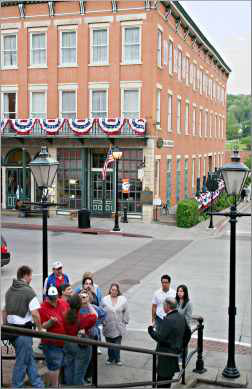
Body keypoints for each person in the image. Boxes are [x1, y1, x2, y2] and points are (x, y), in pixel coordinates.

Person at [2, 265, 44, 388]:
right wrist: (40, 329)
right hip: (24, 333)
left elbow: (4, 311)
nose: (31, 278)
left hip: (12, 331)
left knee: (29, 359)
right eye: (30, 275)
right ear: (25, 276)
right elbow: (35, 314)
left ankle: (38, 384)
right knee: (21, 362)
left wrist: (6, 326)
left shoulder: (10, 290)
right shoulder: (28, 291)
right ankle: (17, 386)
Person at [148, 297, 186, 388]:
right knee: (168, 381)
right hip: (174, 353)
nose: (163, 307)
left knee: (162, 381)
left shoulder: (168, 320)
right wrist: (180, 346)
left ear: (168, 306)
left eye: (164, 305)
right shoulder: (181, 316)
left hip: (165, 355)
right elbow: (187, 333)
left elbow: (160, 337)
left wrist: (150, 329)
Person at [63, 293, 97, 385]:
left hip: (67, 344)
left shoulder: (64, 316)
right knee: (79, 373)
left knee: (69, 370)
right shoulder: (83, 318)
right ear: (80, 304)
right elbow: (95, 315)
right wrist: (88, 303)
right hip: (80, 347)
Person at [39, 286, 66, 388]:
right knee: (54, 365)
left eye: (55, 298)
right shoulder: (42, 308)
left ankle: (58, 384)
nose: (53, 301)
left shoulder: (63, 303)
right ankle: (55, 386)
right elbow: (40, 327)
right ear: (47, 297)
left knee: (60, 364)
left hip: (63, 341)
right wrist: (50, 322)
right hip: (51, 343)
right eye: (51, 299)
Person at [101, 283, 129, 366]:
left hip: (119, 326)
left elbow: (126, 311)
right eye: (112, 289)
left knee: (117, 344)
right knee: (109, 343)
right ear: (110, 290)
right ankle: (110, 358)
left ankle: (117, 359)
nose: (114, 291)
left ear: (118, 291)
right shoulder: (104, 300)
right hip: (108, 325)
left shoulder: (123, 300)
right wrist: (103, 321)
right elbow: (101, 311)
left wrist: (125, 321)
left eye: (115, 290)